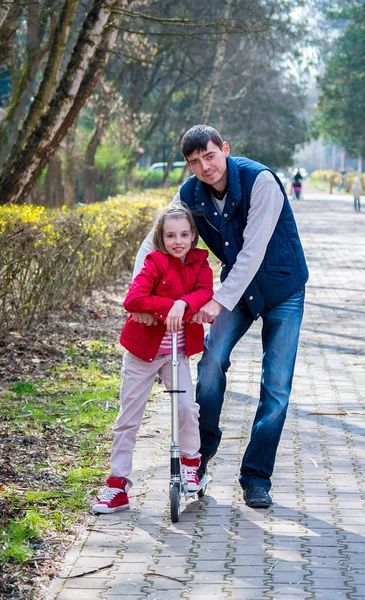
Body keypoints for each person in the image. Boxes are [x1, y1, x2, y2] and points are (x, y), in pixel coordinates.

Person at [133, 124, 308, 509]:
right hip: (239, 290)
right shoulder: (190, 194)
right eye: (195, 162)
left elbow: (254, 248)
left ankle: (256, 478)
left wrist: (216, 302)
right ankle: (199, 457)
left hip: (283, 288)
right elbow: (154, 242)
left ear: (225, 149)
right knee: (210, 363)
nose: (205, 167)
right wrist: (137, 298)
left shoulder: (261, 181)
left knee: (276, 386)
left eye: (210, 156)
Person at [92, 204, 214, 513]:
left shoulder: (200, 264)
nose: (178, 241)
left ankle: (190, 464)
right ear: (160, 237)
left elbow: (205, 292)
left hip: (178, 352)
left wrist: (182, 305)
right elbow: (133, 299)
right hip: (143, 354)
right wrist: (172, 306)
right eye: (170, 235)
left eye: (184, 234)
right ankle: (117, 486)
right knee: (128, 418)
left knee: (187, 408)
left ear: (193, 236)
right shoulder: (154, 262)